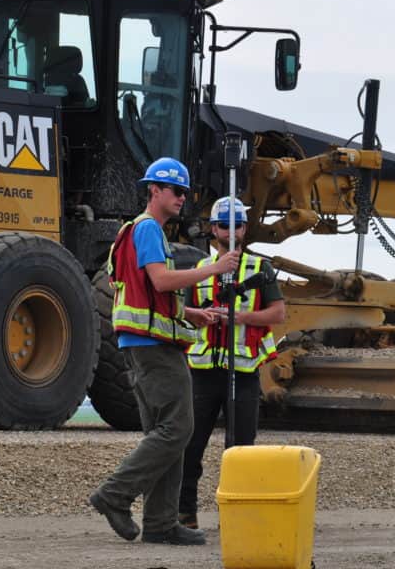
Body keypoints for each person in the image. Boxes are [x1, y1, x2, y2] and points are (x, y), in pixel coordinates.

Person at [89, 158, 240, 546]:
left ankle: (159, 523)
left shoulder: (130, 233)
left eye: (185, 192)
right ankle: (115, 494)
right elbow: (161, 279)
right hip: (153, 347)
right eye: (175, 191)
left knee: (167, 431)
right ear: (154, 191)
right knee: (177, 429)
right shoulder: (148, 230)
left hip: (144, 343)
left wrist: (191, 314)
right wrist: (214, 268)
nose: (182, 198)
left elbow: (146, 291)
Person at [177, 197, 286, 530]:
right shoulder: (199, 271)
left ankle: (236, 518)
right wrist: (205, 317)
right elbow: (185, 317)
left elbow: (278, 313)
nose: (230, 231)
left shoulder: (259, 269)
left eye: (236, 224)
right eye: (224, 225)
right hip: (203, 373)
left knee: (241, 450)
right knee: (190, 445)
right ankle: (185, 513)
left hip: (244, 372)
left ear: (244, 228)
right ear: (214, 229)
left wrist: (239, 318)